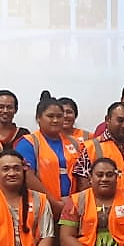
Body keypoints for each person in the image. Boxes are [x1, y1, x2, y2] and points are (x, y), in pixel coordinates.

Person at [15, 91, 83, 221]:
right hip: (41, 206)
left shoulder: (74, 143)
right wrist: (54, 203)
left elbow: (81, 175)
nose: (55, 120)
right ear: (38, 118)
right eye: (50, 116)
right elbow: (27, 176)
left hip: (72, 207)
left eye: (59, 116)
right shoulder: (28, 143)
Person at [75, 102, 124, 198]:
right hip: (103, 210)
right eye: (120, 120)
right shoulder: (90, 148)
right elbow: (83, 186)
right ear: (107, 119)